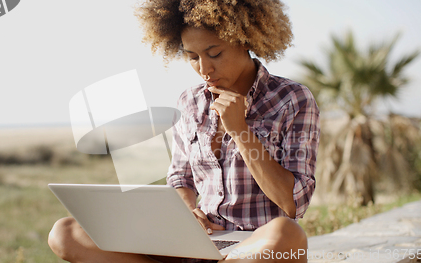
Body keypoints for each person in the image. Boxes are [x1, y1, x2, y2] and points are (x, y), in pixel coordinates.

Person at [48, 0, 320, 262]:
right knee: (67, 232)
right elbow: (181, 178)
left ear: (245, 39)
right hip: (198, 241)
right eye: (192, 57)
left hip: (253, 245)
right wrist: (188, 211)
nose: (204, 69)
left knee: (286, 235)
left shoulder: (292, 99)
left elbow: (294, 202)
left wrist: (240, 132)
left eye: (215, 54)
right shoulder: (190, 101)